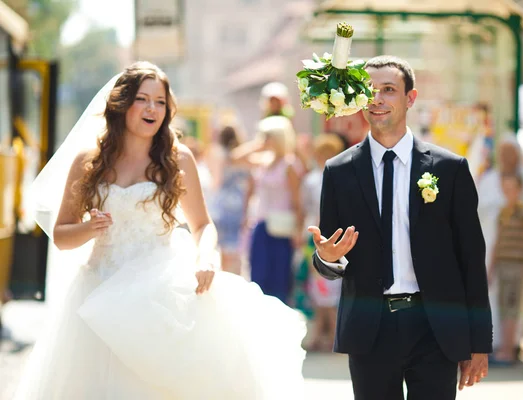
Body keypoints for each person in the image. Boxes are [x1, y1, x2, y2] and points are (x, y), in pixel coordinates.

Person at [14, 62, 305, 399]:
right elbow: (63, 236)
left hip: (161, 290)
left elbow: (202, 225)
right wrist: (88, 228)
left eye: (160, 102)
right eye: (143, 99)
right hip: (99, 288)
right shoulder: (88, 161)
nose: (152, 108)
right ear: (122, 104)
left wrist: (206, 259)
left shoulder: (178, 159)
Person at [308, 55, 492, 400]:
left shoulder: (450, 169)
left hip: (435, 327)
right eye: (369, 90)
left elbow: (471, 258)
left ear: (411, 98)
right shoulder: (338, 172)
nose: (377, 99)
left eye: (389, 90)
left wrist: (479, 342)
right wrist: (328, 259)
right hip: (369, 328)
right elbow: (328, 260)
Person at [477, 134, 523, 351]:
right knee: (493, 296)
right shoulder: (489, 179)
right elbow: (479, 207)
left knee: (512, 301)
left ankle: (509, 345)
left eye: (512, 153)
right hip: (492, 246)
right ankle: (491, 343)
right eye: (504, 153)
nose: (508, 158)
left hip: (517, 254)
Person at [232, 116, 304, 303]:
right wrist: (258, 144)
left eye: (268, 136)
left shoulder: (290, 165)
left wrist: (298, 230)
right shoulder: (263, 160)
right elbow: (235, 158)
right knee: (258, 276)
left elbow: (297, 201)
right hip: (261, 225)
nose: (264, 139)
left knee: (279, 279)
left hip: (281, 228)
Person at [488, 174, 523, 364]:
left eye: (511, 188)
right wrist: (491, 267)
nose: (508, 192)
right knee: (504, 307)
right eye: (505, 188)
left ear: (520, 190)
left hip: (517, 265)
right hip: (503, 265)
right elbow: (497, 241)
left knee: (512, 307)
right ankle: (504, 348)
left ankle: (508, 351)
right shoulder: (504, 212)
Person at [300, 133, 345, 351]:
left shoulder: (340, 177)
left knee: (333, 285)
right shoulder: (311, 179)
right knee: (317, 286)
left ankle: (334, 335)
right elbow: (305, 209)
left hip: (335, 237)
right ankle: (320, 332)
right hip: (314, 235)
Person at [210, 126, 250, 275]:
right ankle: (235, 278)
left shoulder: (220, 155)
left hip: (222, 204)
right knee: (236, 250)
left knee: (222, 250)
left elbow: (217, 181)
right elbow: (250, 185)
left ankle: (225, 276)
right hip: (238, 204)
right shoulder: (244, 159)